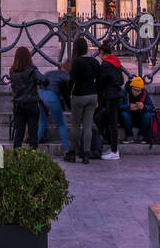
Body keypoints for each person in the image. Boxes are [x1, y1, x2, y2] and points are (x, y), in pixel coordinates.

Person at [67, 37, 99, 165]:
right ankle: (86, 153)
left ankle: (73, 152)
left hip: (79, 95)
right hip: (92, 95)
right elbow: (98, 79)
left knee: (75, 125)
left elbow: (72, 80)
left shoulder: (77, 62)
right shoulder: (94, 62)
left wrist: (69, 92)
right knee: (87, 126)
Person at [96, 42, 126, 160]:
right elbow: (122, 80)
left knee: (112, 123)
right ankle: (113, 148)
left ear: (102, 53)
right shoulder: (116, 63)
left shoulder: (105, 65)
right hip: (117, 95)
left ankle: (114, 151)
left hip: (110, 96)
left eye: (99, 53)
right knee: (112, 122)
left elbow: (100, 82)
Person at [8, 47, 43, 149]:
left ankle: (16, 157)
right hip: (31, 103)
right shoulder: (32, 71)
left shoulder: (12, 71)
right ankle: (33, 158)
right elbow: (43, 79)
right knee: (33, 133)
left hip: (18, 105)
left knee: (19, 133)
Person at [38, 59, 73, 154]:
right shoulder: (67, 77)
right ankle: (67, 149)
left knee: (42, 124)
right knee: (60, 124)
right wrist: (71, 109)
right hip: (51, 96)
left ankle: (32, 148)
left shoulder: (50, 72)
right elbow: (66, 95)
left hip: (40, 95)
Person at [122, 76, 155, 143]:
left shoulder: (144, 93)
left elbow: (151, 107)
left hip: (140, 116)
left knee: (148, 115)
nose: (136, 92)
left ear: (141, 90)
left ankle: (141, 135)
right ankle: (129, 136)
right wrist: (128, 106)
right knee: (124, 114)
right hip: (128, 117)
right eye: (134, 90)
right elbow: (118, 106)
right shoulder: (125, 92)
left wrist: (144, 107)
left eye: (138, 91)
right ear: (131, 88)